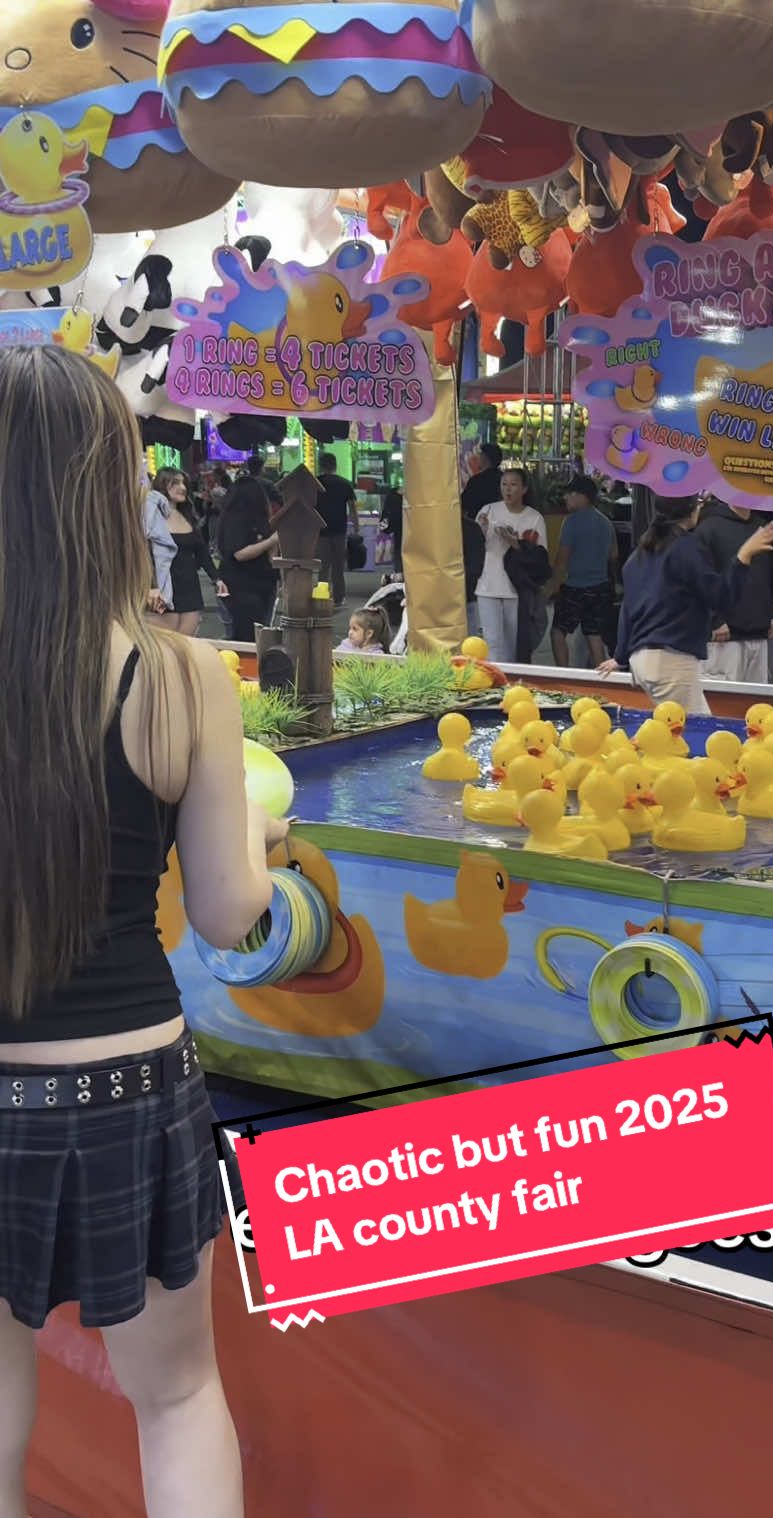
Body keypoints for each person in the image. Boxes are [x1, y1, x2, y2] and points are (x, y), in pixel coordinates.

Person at [0, 344, 286, 1518]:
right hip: (129, 1080)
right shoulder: (180, 677)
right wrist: (256, 840)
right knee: (175, 1397)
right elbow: (226, 914)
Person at [596, 495, 773, 714]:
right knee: (695, 729)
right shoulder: (685, 547)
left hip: (642, 660)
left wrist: (621, 656)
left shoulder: (640, 553)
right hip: (671, 661)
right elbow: (720, 597)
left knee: (675, 726)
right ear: (692, 510)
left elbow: (628, 608)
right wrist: (744, 556)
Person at [693, 496, 773, 683]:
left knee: (757, 700)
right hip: (724, 638)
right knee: (722, 700)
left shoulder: (762, 528)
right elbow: (698, 580)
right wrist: (714, 620)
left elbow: (767, 576)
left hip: (759, 634)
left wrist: (772, 613)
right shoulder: (708, 528)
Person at [475, 468, 549, 663]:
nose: (507, 489)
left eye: (513, 484)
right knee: (491, 641)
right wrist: (482, 528)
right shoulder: (488, 510)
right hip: (487, 585)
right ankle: (495, 677)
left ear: (524, 489)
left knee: (513, 643)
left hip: (517, 588)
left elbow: (540, 558)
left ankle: (511, 677)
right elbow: (476, 545)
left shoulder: (534, 518)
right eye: (504, 484)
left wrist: (515, 543)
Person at [550, 476, 618, 669]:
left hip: (575, 587)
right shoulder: (606, 522)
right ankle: (603, 679)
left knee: (557, 632)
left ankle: (563, 675)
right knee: (594, 635)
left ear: (583, 496)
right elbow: (613, 555)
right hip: (600, 587)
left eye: (570, 494)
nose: (566, 497)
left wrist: (552, 588)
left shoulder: (571, 522)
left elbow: (562, 560)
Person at [150, 468, 219, 638]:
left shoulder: (188, 516)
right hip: (163, 589)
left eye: (184, 483)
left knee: (187, 645)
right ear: (162, 485)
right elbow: (144, 556)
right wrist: (151, 586)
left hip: (190, 589)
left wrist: (216, 578)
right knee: (165, 646)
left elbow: (202, 552)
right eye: (176, 483)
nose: (183, 488)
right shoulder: (151, 518)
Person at [216, 478, 279, 643]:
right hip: (241, 586)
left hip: (264, 582)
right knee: (246, 635)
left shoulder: (261, 520)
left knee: (262, 632)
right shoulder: (234, 520)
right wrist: (271, 541)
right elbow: (239, 553)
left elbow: (271, 556)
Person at [315, 453, 358, 608]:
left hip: (321, 530)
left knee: (323, 567)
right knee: (338, 566)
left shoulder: (315, 483)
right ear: (335, 465)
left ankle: (321, 597)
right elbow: (352, 508)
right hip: (340, 530)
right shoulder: (344, 483)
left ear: (320, 465)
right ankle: (339, 598)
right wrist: (356, 526)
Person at [142, 476, 177, 620]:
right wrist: (153, 585)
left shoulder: (151, 504)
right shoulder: (149, 504)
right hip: (151, 581)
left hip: (160, 580)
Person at [461, 440, 503, 520]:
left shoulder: (476, 482)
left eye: (480, 454)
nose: (478, 457)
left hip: (477, 524)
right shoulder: (504, 480)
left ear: (485, 458)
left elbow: (463, 505)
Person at [461, 507, 486, 638]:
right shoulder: (472, 528)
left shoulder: (471, 528)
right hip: (468, 590)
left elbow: (477, 564)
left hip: (467, 593)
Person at [380, 488, 404, 576]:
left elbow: (386, 512)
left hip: (398, 528)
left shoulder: (393, 495)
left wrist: (384, 526)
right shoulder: (415, 494)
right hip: (413, 528)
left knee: (398, 550)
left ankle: (399, 575)